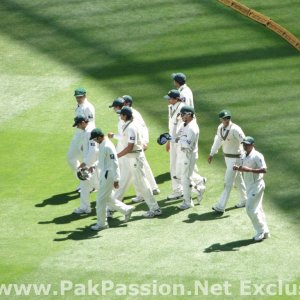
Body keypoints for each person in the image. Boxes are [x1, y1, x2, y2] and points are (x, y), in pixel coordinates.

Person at [117, 106, 162, 218]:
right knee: (137, 183)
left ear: (125, 116)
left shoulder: (131, 127)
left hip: (135, 158)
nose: (119, 115)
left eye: (121, 114)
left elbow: (130, 146)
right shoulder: (128, 125)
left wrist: (117, 155)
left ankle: (155, 208)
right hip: (133, 158)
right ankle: (154, 207)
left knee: (143, 184)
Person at [90, 128, 135, 231]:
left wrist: (116, 179)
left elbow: (114, 163)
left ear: (100, 137)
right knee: (108, 198)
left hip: (108, 175)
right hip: (105, 174)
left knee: (100, 200)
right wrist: (94, 165)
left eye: (95, 139)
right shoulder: (102, 144)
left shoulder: (107, 146)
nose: (95, 141)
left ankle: (102, 224)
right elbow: (102, 160)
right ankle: (126, 209)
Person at [208, 109, 247, 213]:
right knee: (238, 180)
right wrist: (212, 153)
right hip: (227, 158)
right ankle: (244, 200)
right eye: (224, 118)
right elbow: (218, 141)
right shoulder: (220, 128)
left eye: (228, 118)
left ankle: (220, 206)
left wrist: (246, 157)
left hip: (236, 158)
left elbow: (244, 142)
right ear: (220, 119)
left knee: (228, 182)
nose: (226, 120)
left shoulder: (236, 129)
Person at [122, 95, 160, 202]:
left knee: (137, 170)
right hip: (134, 145)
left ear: (127, 103)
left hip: (136, 146)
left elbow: (143, 127)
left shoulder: (133, 114)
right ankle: (153, 187)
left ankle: (143, 194)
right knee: (143, 166)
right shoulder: (126, 113)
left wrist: (145, 141)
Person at [233, 136, 270, 242]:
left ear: (252, 145)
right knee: (258, 208)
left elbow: (264, 170)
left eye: (247, 144)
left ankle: (260, 231)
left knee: (250, 209)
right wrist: (237, 167)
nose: (245, 146)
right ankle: (265, 231)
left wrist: (248, 170)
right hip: (249, 186)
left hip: (257, 186)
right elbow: (241, 166)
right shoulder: (244, 155)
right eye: (244, 144)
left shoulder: (257, 156)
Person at [176, 106, 205, 209]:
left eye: (183, 114)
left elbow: (187, 145)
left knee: (185, 178)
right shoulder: (185, 125)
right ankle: (198, 189)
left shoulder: (192, 128)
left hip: (189, 155)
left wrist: (178, 141)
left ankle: (188, 202)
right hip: (185, 154)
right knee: (182, 177)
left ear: (189, 115)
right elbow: (178, 136)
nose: (181, 117)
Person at [66, 88, 95, 190]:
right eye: (77, 97)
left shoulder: (88, 107)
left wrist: (86, 141)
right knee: (70, 157)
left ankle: (91, 184)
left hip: (85, 136)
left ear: (85, 95)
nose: (78, 98)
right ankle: (84, 178)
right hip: (78, 135)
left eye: (80, 96)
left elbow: (90, 124)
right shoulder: (79, 106)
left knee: (87, 160)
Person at [72, 114, 98, 214]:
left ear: (83, 122)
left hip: (92, 164)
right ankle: (85, 207)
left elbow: (93, 150)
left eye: (78, 125)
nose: (77, 127)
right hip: (89, 163)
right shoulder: (86, 131)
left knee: (99, 186)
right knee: (84, 185)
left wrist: (85, 163)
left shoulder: (90, 131)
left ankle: (118, 206)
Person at [163, 89, 184, 200]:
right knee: (174, 165)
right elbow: (171, 126)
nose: (168, 100)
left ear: (176, 99)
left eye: (170, 98)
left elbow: (180, 128)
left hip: (179, 141)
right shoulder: (171, 107)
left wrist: (174, 140)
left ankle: (196, 184)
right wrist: (168, 141)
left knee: (180, 166)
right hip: (172, 140)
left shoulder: (181, 108)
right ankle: (177, 190)